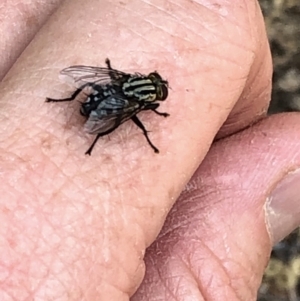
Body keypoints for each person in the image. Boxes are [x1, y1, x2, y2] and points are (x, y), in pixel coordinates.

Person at [0, 1, 299, 300]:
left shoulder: (127, 81)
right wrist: (114, 136)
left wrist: (100, 84)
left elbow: (98, 79)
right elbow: (125, 113)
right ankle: (84, 126)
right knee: (120, 116)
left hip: (105, 94)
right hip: (109, 102)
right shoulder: (142, 102)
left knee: (100, 93)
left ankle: (68, 105)